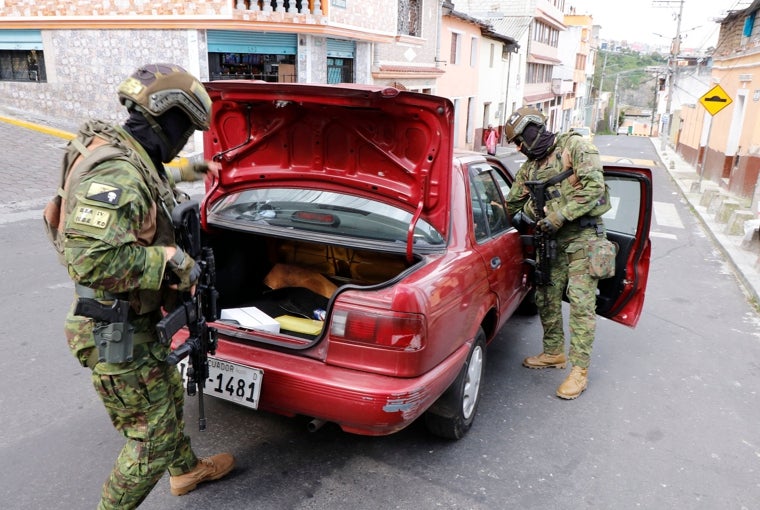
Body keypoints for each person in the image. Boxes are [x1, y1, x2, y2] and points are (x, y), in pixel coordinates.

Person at [48, 64, 234, 508]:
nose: (184, 139)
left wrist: (188, 170)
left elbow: (144, 182)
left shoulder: (119, 148)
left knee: (168, 400)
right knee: (149, 443)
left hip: (133, 320)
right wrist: (168, 259)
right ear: (165, 118)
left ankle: (186, 471)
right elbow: (89, 259)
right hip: (114, 334)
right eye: (184, 130)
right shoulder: (117, 174)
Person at [504, 106, 611, 400]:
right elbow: (510, 205)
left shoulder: (575, 146)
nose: (519, 148)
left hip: (583, 239)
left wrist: (560, 215)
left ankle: (579, 370)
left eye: (519, 141)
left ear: (531, 131)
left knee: (580, 303)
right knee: (546, 296)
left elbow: (594, 189)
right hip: (550, 241)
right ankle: (553, 352)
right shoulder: (530, 168)